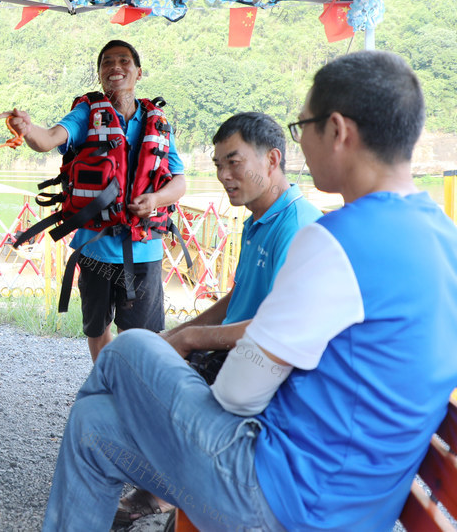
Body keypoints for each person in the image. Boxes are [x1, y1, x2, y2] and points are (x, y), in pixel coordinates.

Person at [43, 50, 457, 531]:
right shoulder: (450, 240)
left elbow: (239, 395)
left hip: (278, 497)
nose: (299, 139)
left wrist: (181, 350)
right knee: (92, 423)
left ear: (338, 131)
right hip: (348, 502)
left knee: (131, 348)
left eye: (301, 124)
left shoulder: (337, 241)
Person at [113, 112, 321, 524]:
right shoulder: (260, 218)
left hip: (260, 364)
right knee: (136, 359)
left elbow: (276, 328)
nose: (225, 175)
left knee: (140, 378)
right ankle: (163, 485)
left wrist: (192, 341)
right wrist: (180, 331)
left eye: (234, 161)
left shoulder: (298, 225)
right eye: (218, 165)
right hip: (234, 351)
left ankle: (168, 491)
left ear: (272, 160)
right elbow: (238, 296)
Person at [0, 40, 186, 362]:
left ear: (138, 72)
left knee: (141, 336)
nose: (115, 67)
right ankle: (105, 383)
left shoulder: (159, 122)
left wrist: (155, 198)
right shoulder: (87, 112)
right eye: (107, 63)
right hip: (95, 246)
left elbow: (179, 181)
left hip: (145, 247)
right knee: (97, 328)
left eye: (124, 61)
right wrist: (28, 128)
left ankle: (131, 391)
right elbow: (47, 140)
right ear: (100, 74)